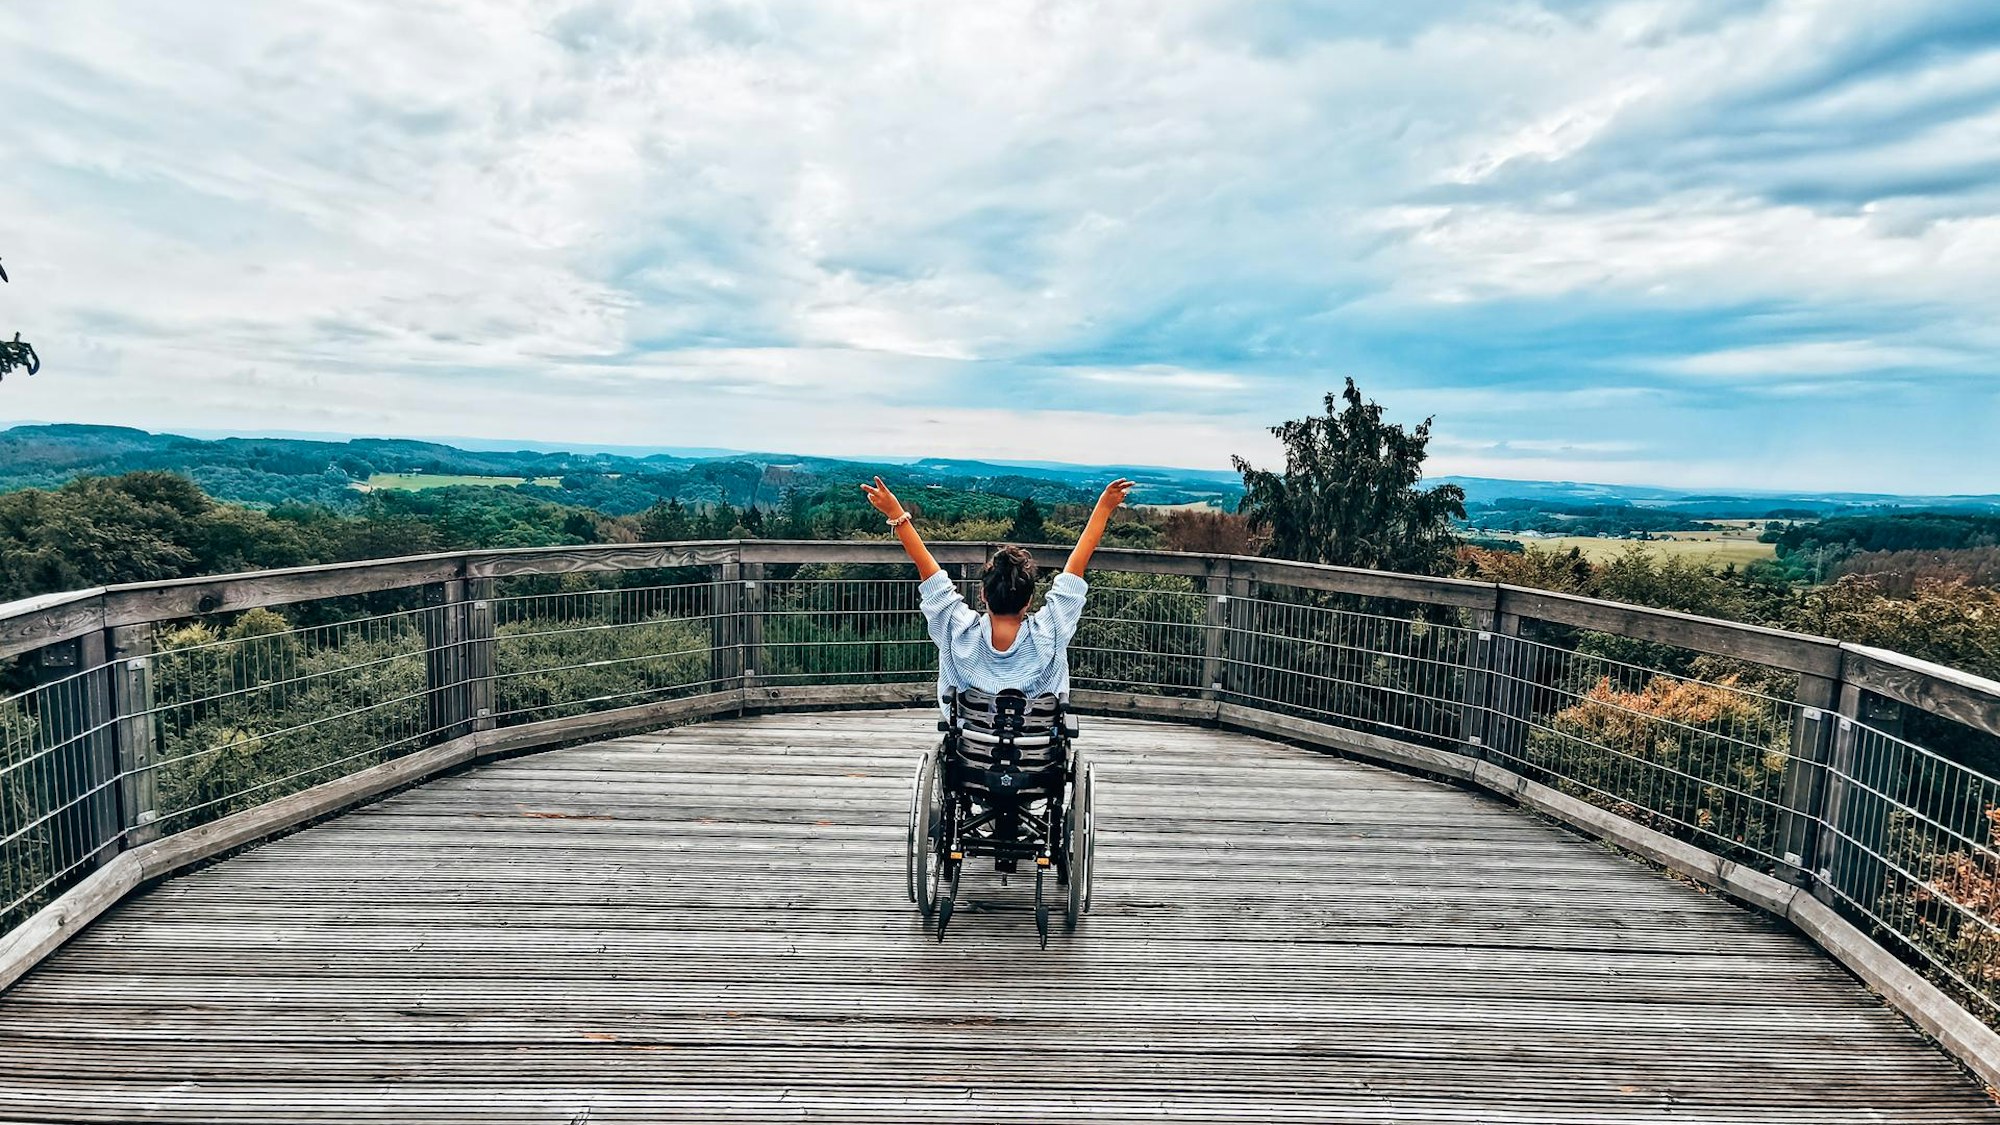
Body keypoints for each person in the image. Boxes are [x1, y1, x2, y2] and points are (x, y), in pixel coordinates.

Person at [859, 476, 1135, 716]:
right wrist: (1103, 507)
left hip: (972, 750)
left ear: (983, 595)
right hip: (1035, 752)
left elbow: (927, 568)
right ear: (1029, 600)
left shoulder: (958, 631)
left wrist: (896, 513)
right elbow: (1077, 565)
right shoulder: (1050, 631)